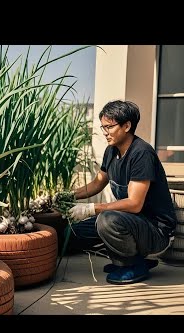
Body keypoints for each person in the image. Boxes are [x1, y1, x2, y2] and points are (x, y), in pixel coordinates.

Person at [67, 100, 177, 285]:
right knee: (70, 234)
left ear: (127, 125)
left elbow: (135, 204)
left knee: (106, 220)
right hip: (130, 221)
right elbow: (97, 183)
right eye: (103, 127)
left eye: (109, 127)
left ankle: (132, 264)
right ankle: (128, 260)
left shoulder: (142, 154)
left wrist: (91, 209)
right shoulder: (111, 151)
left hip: (155, 231)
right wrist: (68, 196)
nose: (105, 133)